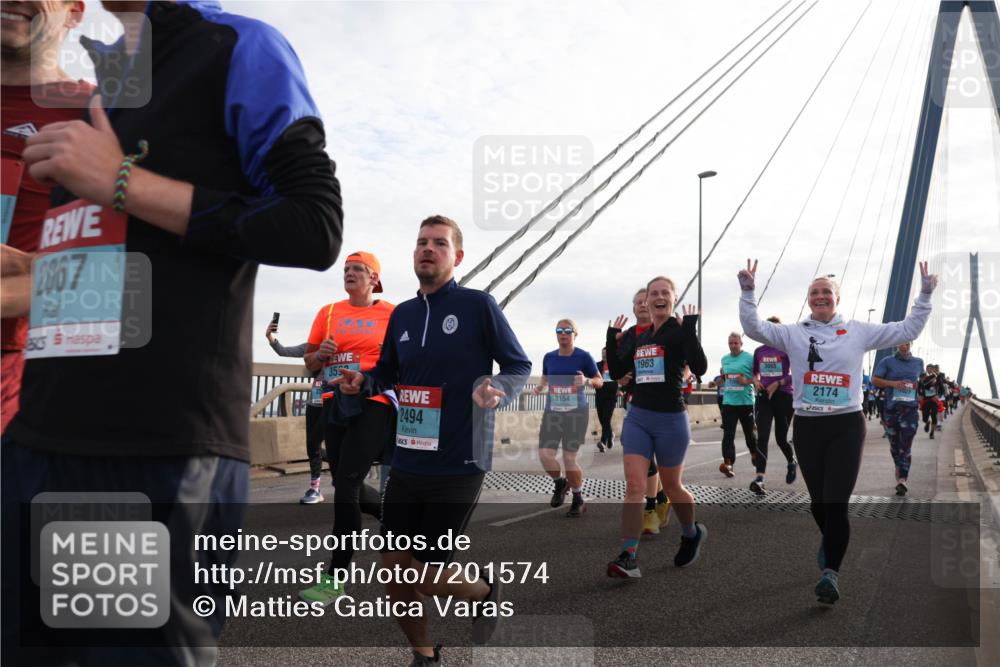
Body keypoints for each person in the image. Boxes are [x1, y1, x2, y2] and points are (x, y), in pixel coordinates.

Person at [5, 2, 343, 663]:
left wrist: (121, 180)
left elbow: (313, 226)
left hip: (149, 452)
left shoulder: (237, 45)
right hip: (35, 441)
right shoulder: (109, 81)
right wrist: (27, 270)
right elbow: (119, 265)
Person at [335, 215, 530, 664]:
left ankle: (484, 590)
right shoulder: (402, 314)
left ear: (456, 256)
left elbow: (518, 365)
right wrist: (362, 381)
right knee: (394, 574)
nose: (428, 248)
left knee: (425, 577)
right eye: (422, 241)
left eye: (439, 243)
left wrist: (499, 388)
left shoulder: (479, 305)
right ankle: (424, 654)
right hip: (406, 463)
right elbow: (388, 371)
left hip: (459, 461)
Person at [738, 259, 936, 605]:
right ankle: (831, 540)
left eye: (826, 291)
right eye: (814, 292)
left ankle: (831, 572)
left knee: (836, 501)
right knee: (818, 502)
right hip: (808, 425)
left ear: (837, 298)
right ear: (808, 299)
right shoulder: (793, 333)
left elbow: (907, 329)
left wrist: (925, 295)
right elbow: (754, 327)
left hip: (846, 425)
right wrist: (748, 292)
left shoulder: (857, 331)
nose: (820, 296)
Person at [1, 0, 92, 433]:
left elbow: (119, 273)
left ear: (75, 11)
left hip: (30, 383)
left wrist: (27, 272)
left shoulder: (102, 116)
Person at [298, 251, 396, 603]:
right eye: (346, 269)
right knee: (343, 481)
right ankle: (395, 520)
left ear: (374, 278)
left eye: (358, 269)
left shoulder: (392, 314)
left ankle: (335, 579)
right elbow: (309, 364)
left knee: (348, 487)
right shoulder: (328, 312)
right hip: (333, 401)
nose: (349, 273)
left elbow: (402, 360)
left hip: (373, 401)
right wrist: (320, 356)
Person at [605, 276, 708, 578]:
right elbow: (619, 370)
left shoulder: (678, 331)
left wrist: (690, 328)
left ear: (673, 299)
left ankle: (691, 532)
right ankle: (628, 555)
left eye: (665, 292)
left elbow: (700, 367)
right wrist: (611, 338)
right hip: (638, 416)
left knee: (673, 486)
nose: (659, 297)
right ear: (647, 301)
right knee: (635, 487)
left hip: (670, 419)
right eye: (654, 293)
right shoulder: (641, 336)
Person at [613, 287, 670, 534]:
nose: (643, 305)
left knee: (656, 457)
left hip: (664, 404)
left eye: (645, 301)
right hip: (635, 402)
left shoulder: (666, 331)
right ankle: (650, 509)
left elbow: (685, 364)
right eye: (638, 302)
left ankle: (661, 497)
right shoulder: (626, 336)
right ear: (634, 308)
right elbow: (616, 366)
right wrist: (620, 378)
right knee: (642, 455)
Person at [534, 319, 603, 517]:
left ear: (575, 334)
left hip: (576, 413)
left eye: (567, 330)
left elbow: (600, 381)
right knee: (545, 455)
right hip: (553, 412)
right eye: (559, 330)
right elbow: (545, 376)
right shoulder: (549, 357)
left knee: (569, 458)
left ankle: (578, 498)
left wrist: (587, 380)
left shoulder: (584, 356)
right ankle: (560, 483)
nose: (563, 333)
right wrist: (540, 386)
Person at [871, 341, 923, 496]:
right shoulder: (887, 361)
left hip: (910, 410)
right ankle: (898, 467)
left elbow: (920, 383)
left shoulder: (918, 362)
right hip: (891, 410)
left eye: (907, 344)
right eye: (901, 344)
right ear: (896, 345)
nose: (904, 346)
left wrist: (919, 390)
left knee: (905, 446)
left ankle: (902, 479)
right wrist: (892, 383)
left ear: (911, 344)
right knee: (895, 446)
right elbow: (875, 380)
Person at [751, 319, 797, 489]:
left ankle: (791, 461)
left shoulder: (787, 349)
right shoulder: (759, 351)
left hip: (784, 397)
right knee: (762, 437)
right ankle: (760, 478)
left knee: (781, 438)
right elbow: (754, 372)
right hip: (764, 397)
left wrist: (778, 383)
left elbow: (797, 373)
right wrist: (756, 381)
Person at [719, 332, 758, 479]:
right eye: (731, 343)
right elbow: (725, 377)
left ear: (741, 344)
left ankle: (754, 454)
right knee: (728, 434)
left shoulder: (750, 358)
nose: (733, 346)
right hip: (729, 402)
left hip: (745, 402)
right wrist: (719, 381)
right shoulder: (725, 359)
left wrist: (746, 381)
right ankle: (728, 464)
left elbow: (757, 377)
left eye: (736, 343)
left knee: (749, 434)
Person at [595, 347, 620, 452]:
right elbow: (591, 376)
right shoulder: (597, 365)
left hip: (611, 396)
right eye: (603, 353)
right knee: (602, 419)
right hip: (599, 395)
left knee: (606, 419)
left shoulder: (615, 365)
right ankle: (610, 435)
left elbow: (621, 377)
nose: (604, 355)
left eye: (606, 353)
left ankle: (603, 442)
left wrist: (620, 389)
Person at [918, 364, 941, 439]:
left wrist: (938, 395)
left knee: (934, 415)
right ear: (926, 369)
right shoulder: (923, 376)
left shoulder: (938, 377)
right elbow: (919, 387)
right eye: (928, 368)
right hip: (926, 400)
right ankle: (927, 422)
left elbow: (942, 388)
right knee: (924, 417)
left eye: (931, 368)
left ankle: (932, 432)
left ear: (933, 369)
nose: (929, 370)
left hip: (934, 400)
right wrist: (920, 395)